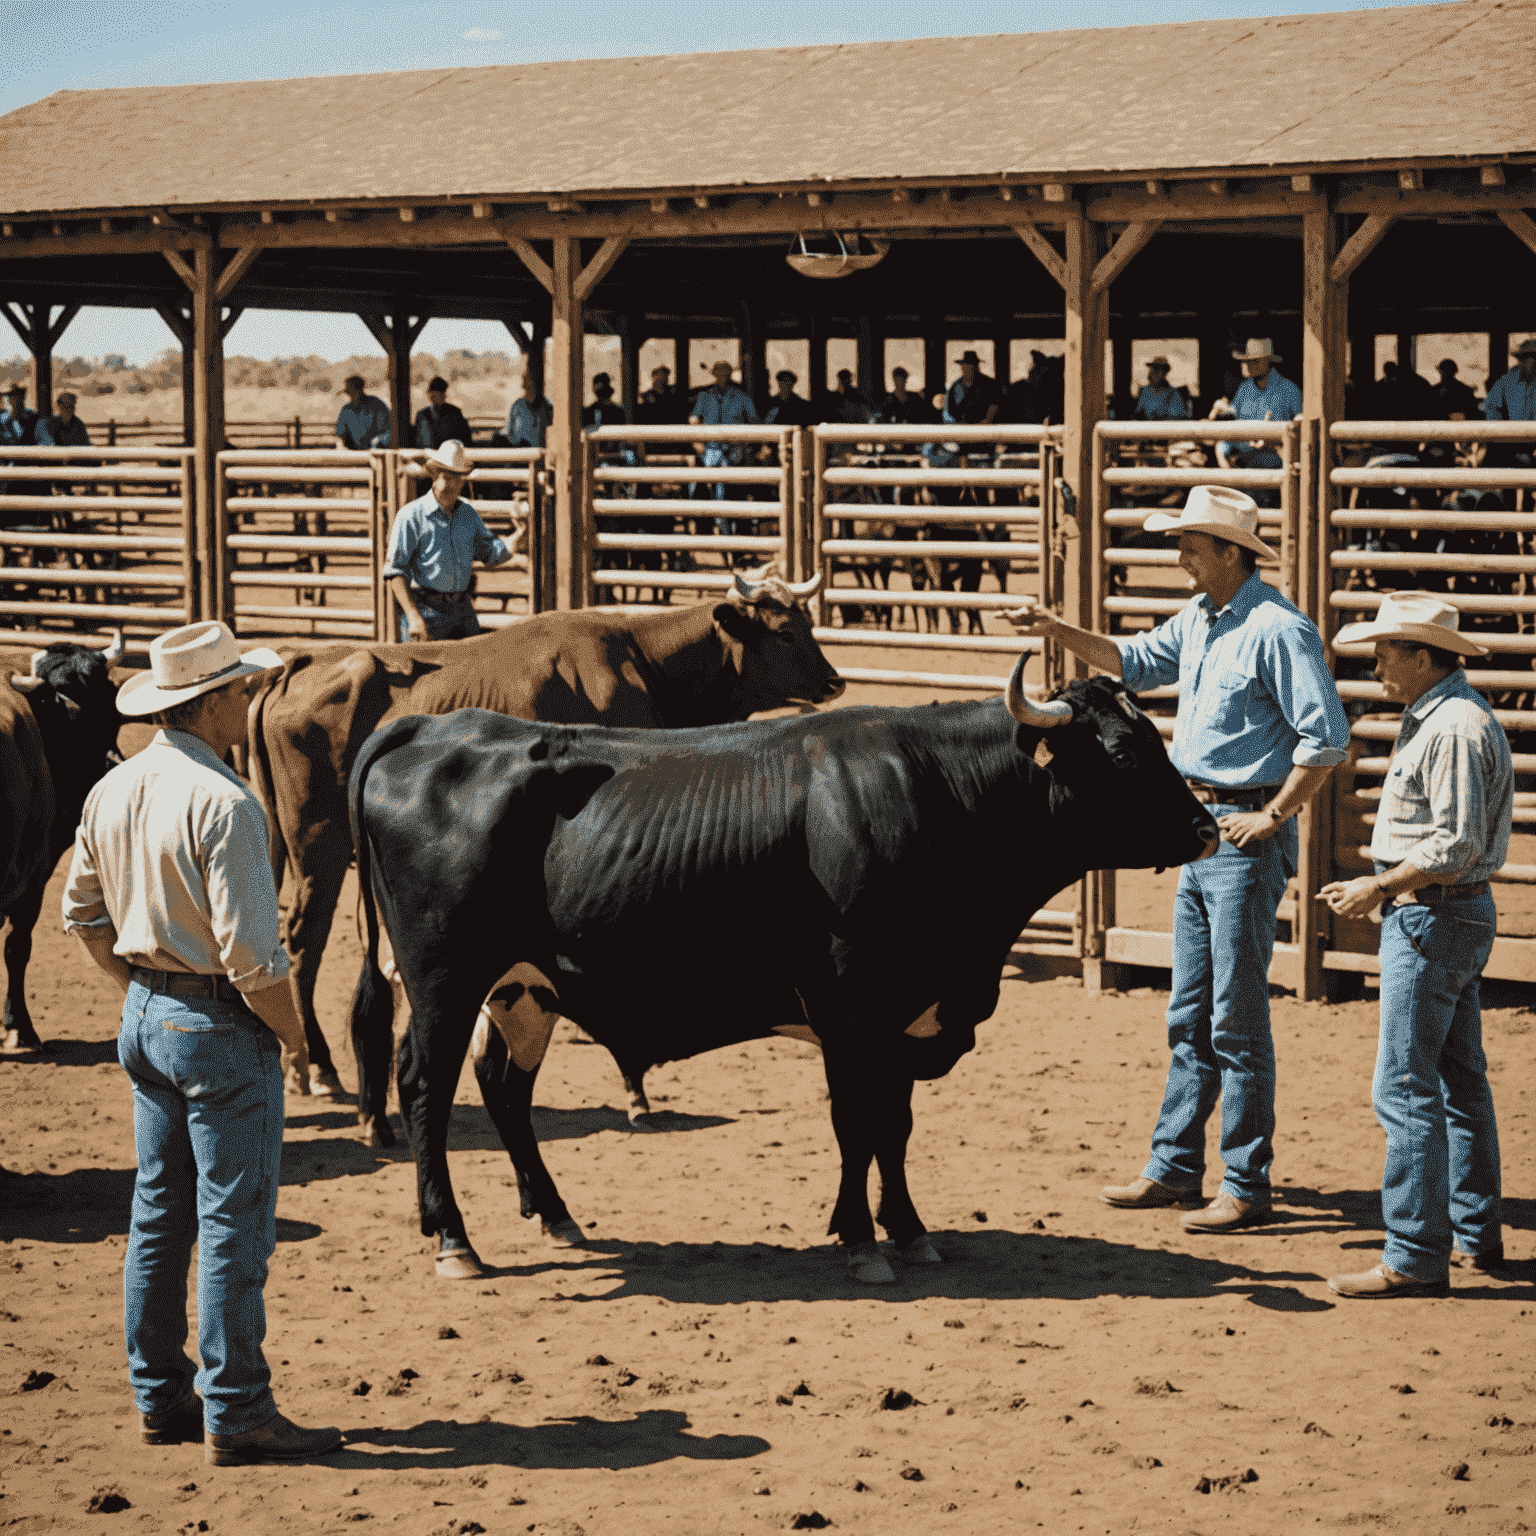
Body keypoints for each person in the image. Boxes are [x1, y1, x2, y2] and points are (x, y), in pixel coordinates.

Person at [1007, 486, 1349, 1231]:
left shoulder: (1278, 630)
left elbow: (1326, 739)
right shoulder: (1201, 620)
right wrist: (1055, 628)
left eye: (1191, 543)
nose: (1180, 555)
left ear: (1230, 552)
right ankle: (1176, 1167)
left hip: (1239, 831)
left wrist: (1273, 814)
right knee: (1192, 1009)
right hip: (1199, 827)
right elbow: (1132, 661)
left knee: (1233, 1014)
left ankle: (1245, 1183)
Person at [61, 619, 342, 1466]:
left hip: (146, 1014)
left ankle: (161, 1394)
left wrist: (144, 996)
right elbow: (255, 959)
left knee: (159, 1215)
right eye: (241, 689)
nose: (250, 699)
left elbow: (81, 914)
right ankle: (241, 1409)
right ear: (212, 699)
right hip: (217, 1024)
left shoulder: (113, 789)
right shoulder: (227, 803)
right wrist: (295, 1038)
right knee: (233, 1226)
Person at [1321, 593, 1512, 1297]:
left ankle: (1413, 1253)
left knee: (1404, 1086)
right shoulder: (1450, 718)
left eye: (1387, 651)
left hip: (1431, 915)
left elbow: (1455, 842)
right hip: (1449, 915)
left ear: (1425, 658)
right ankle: (1473, 1233)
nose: (1377, 663)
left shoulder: (1450, 728)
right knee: (1460, 1078)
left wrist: (1381, 887)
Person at [384, 440, 511, 642]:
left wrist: (514, 542)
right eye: (443, 477)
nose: (446, 486)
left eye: (453, 479)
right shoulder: (411, 515)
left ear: (462, 481)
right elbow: (395, 571)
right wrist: (413, 615)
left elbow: (488, 552)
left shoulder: (468, 515)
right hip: (426, 609)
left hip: (462, 607)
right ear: (434, 477)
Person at [1212, 339, 1302, 478]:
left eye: (1255, 361)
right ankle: (1234, 484)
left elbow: (1301, 424)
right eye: (1247, 361)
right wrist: (1220, 410)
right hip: (1245, 456)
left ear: (1268, 362)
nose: (1249, 365)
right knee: (1221, 448)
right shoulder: (1244, 389)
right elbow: (1236, 418)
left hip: (1277, 458)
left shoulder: (1289, 389)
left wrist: (1274, 441)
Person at [1482, 338, 1536, 423]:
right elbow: (1491, 405)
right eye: (1523, 357)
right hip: (1517, 432)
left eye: (1533, 357)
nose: (1528, 361)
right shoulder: (1508, 380)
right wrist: (1500, 428)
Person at [413, 376, 472, 450]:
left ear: (443, 395)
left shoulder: (454, 414)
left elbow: (464, 439)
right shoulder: (422, 415)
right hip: (428, 456)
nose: (435, 398)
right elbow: (419, 442)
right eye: (433, 395)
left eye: (438, 395)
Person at [333, 374, 391, 450]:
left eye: (352, 390)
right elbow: (340, 434)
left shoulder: (376, 405)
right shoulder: (346, 410)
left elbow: (386, 430)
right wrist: (341, 447)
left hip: (376, 450)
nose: (351, 395)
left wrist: (377, 443)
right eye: (349, 392)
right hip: (355, 453)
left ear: (359, 389)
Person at [505, 372, 553, 449]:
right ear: (523, 385)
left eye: (533, 382)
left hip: (540, 454)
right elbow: (509, 433)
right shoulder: (517, 406)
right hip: (520, 454)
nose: (531, 385)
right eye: (527, 382)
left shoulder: (547, 408)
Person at [1134, 356, 1189, 422]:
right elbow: (1138, 413)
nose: (1154, 373)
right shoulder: (1145, 391)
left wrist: (1160, 417)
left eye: (1158, 370)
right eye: (1153, 369)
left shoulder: (1172, 393)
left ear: (1164, 373)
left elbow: (1177, 417)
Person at [1, 382, 37, 447]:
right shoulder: (4, 419)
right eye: (12, 396)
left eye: (18, 396)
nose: (15, 399)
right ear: (9, 400)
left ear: (23, 398)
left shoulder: (32, 417)